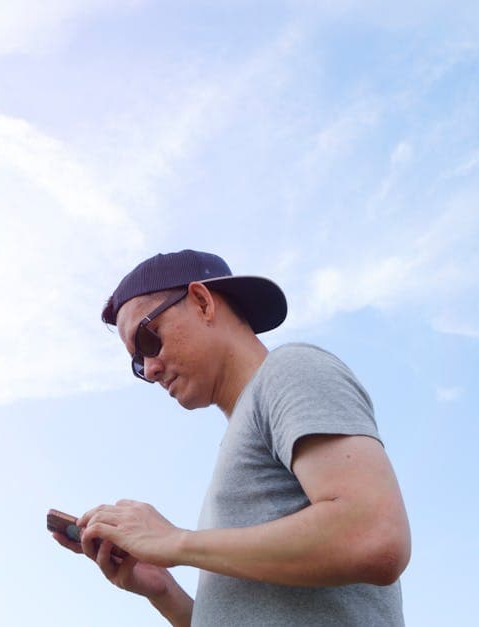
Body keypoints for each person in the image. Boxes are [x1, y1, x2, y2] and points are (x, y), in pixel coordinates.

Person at [51, 250, 411, 626]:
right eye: (137, 364)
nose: (151, 368)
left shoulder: (289, 370)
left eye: (147, 339)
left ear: (203, 302)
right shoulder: (239, 445)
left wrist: (176, 542)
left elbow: (375, 536)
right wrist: (163, 591)